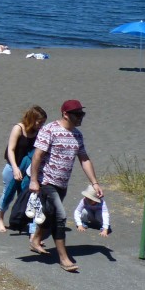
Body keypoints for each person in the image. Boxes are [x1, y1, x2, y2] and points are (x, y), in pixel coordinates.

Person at [28, 99, 102, 272]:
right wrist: (33, 180)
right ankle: (64, 258)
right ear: (65, 114)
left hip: (62, 183)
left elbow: (84, 159)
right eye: (77, 114)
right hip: (46, 181)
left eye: (82, 114)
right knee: (60, 217)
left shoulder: (77, 135)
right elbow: (37, 156)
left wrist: (95, 183)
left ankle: (35, 239)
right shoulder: (50, 130)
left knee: (49, 214)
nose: (81, 117)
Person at [0, 105, 47, 233]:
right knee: (8, 193)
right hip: (12, 166)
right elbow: (10, 150)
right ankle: (0, 218)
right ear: (32, 119)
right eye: (39, 122)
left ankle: (21, 221)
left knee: (26, 196)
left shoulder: (39, 132)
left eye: (43, 123)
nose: (41, 125)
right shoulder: (18, 128)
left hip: (29, 169)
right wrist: (15, 168)